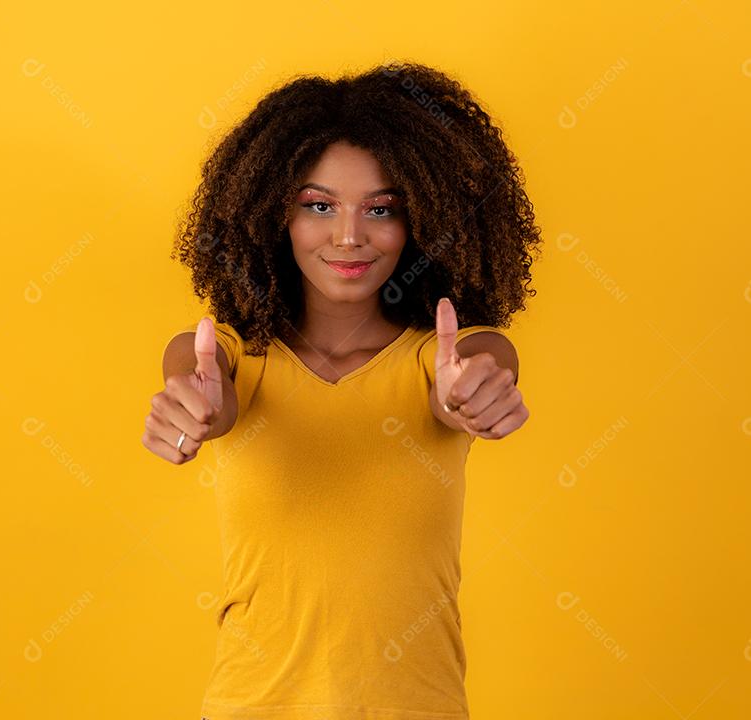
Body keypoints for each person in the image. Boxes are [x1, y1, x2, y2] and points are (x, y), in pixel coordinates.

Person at [143, 60, 539, 720]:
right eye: (318, 206)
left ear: (425, 220)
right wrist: (196, 410)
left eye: (381, 209)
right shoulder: (232, 359)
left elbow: (471, 371)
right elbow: (202, 384)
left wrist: (476, 393)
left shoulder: (444, 359)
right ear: (272, 216)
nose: (348, 235)